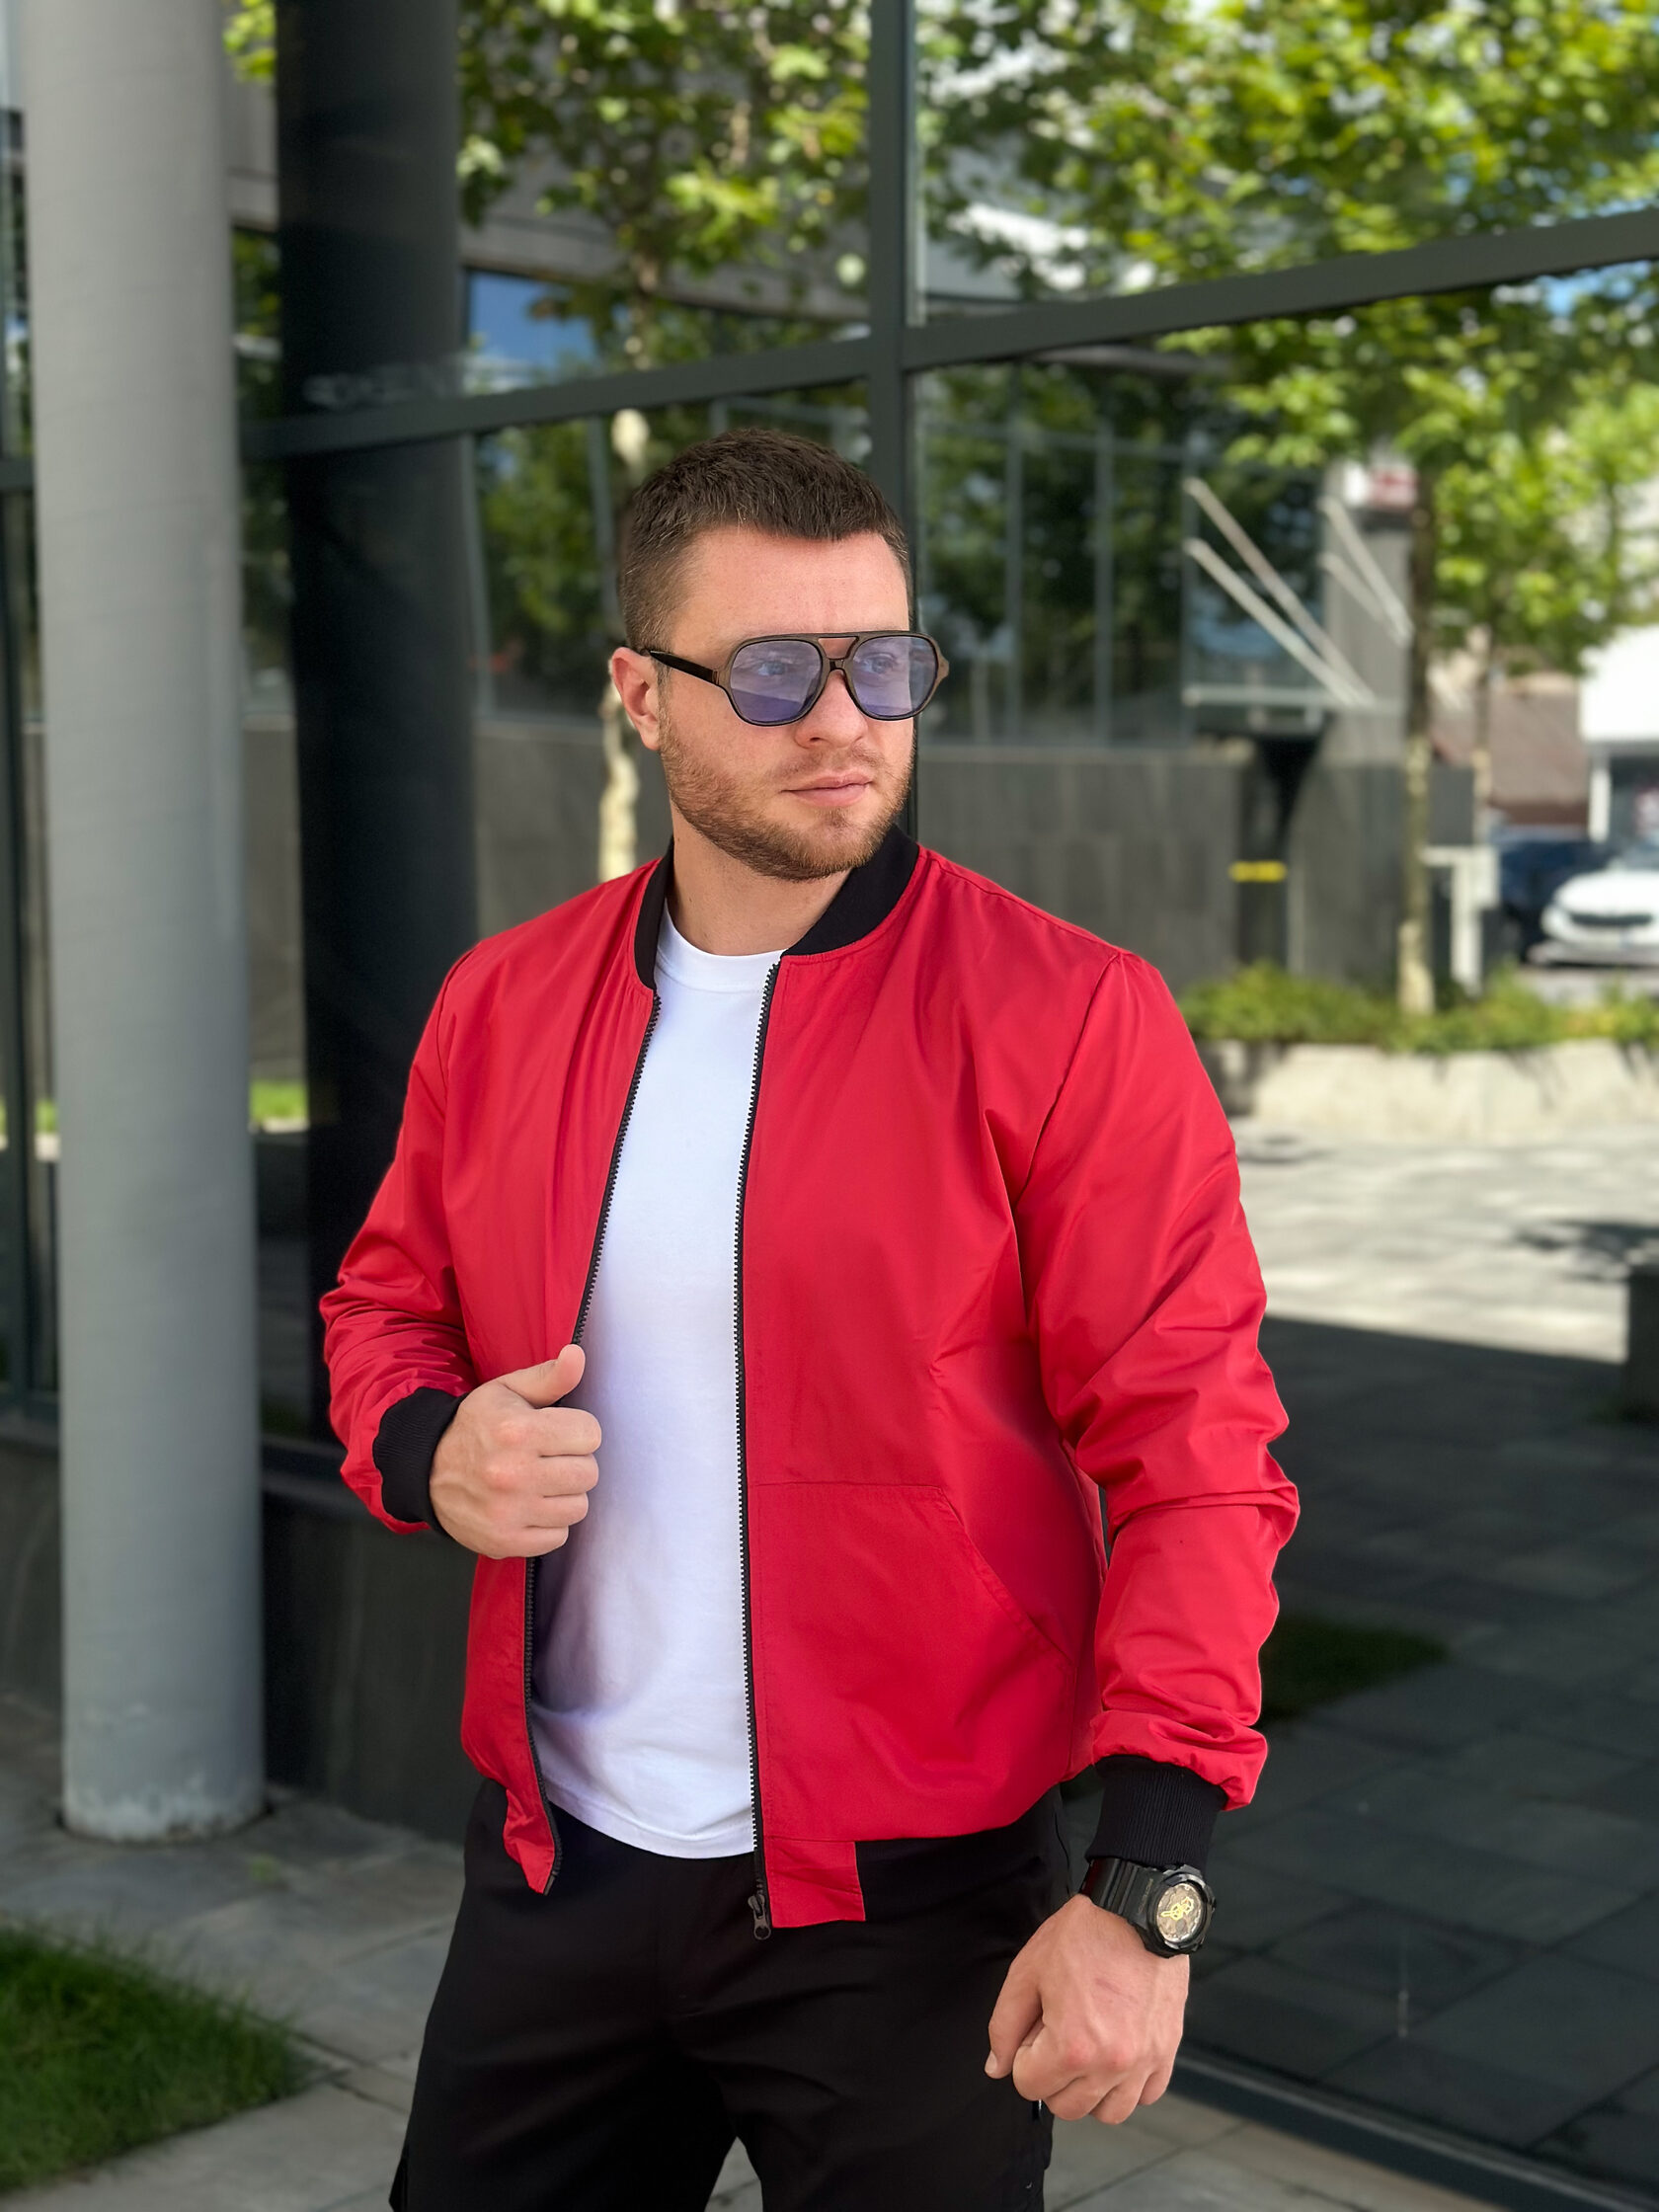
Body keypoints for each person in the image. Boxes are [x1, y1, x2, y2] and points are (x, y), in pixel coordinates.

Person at [323, 427, 1297, 2212]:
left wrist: (1148, 1883)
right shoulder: (504, 1003)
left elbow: (1199, 1461)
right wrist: (425, 1446)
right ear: (643, 693)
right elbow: (387, 1302)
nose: (845, 720)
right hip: (558, 1873)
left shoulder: (1068, 1016)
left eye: (885, 663)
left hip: (916, 1914)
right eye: (774, 671)